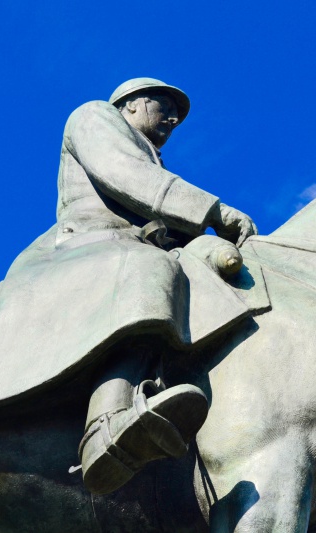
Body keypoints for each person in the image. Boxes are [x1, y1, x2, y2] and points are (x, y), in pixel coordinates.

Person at [58, 78, 257, 494]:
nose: (171, 118)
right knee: (151, 270)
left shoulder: (153, 157)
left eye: (176, 114)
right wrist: (214, 211)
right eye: (163, 105)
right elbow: (126, 175)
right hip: (92, 243)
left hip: (136, 245)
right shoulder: (94, 115)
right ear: (130, 104)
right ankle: (105, 425)